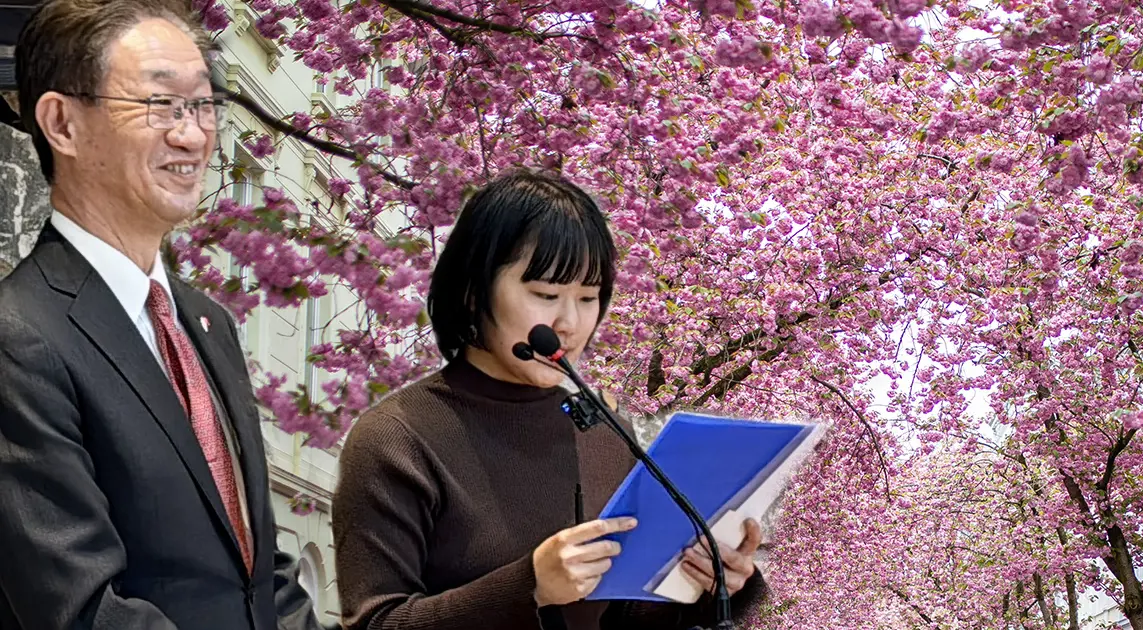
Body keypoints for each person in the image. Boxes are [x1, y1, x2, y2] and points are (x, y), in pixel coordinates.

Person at [0, 1, 322, 629]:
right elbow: (82, 609)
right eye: (160, 105)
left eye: (203, 106)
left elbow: (259, 573)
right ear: (61, 124)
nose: (193, 135)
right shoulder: (19, 336)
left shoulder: (207, 323)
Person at [333, 170, 767, 630]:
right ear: (472, 289)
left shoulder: (603, 430)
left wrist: (711, 582)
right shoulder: (396, 437)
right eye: (545, 294)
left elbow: (621, 616)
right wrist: (530, 586)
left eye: (587, 298)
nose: (569, 323)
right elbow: (374, 622)